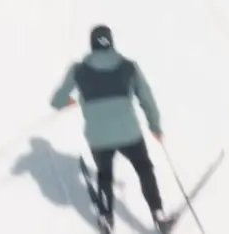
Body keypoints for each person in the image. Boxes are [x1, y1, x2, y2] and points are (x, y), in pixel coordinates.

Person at [50, 25, 171, 233]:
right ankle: (158, 215)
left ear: (92, 44)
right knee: (144, 169)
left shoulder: (78, 69)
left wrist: (70, 101)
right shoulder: (129, 67)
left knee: (104, 175)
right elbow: (146, 99)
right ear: (111, 42)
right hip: (129, 134)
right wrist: (155, 126)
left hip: (99, 138)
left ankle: (106, 218)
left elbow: (57, 101)